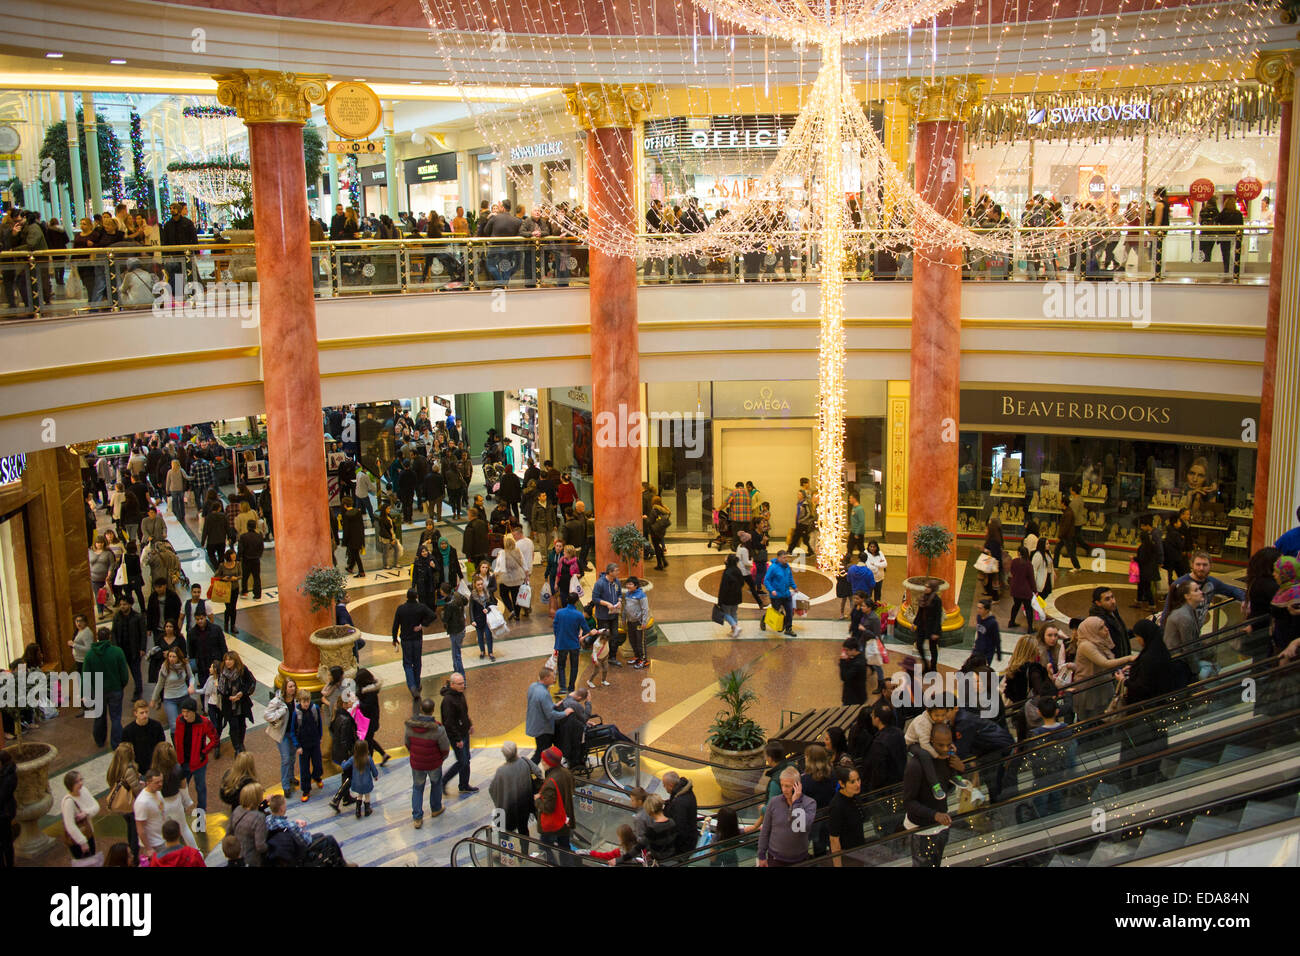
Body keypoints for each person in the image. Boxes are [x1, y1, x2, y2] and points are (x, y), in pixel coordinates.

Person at [902, 722, 960, 866]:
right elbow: (909, 802)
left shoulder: (948, 759)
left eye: (948, 745)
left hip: (942, 825)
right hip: (922, 830)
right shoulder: (915, 765)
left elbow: (948, 788)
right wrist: (935, 815)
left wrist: (960, 768)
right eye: (941, 745)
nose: (945, 749)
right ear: (931, 741)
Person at [1072, 616, 1137, 720]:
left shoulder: (1099, 641)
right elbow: (1105, 663)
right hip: (1089, 689)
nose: (1106, 629)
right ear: (1092, 630)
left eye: (1105, 626)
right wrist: (1129, 658)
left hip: (1102, 685)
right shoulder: (1086, 645)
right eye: (1101, 627)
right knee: (1089, 721)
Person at [405, 696, 451, 828]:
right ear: (433, 710)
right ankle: (436, 809)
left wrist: (414, 754)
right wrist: (440, 758)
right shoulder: (438, 729)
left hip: (417, 763)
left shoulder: (409, 726)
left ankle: (417, 817)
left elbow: (407, 744)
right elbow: (445, 748)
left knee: (417, 788)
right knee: (436, 784)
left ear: (420, 709)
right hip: (433, 763)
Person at [757, 766, 817, 866]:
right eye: (782, 785)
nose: (784, 790)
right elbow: (765, 830)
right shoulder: (774, 802)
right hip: (775, 858)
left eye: (788, 786)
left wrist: (796, 803)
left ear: (798, 786)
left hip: (799, 860)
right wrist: (761, 855)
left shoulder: (810, 803)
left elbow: (800, 827)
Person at [84, 628, 129, 750]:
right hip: (115, 689)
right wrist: (121, 685)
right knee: (116, 717)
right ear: (109, 636)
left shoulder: (89, 655)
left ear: (97, 637)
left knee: (99, 716)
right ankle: (116, 743)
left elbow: (86, 676)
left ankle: (99, 740)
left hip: (98, 690)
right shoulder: (117, 652)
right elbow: (124, 673)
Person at [489, 740, 542, 837]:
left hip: (507, 808)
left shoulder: (501, 771)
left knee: (504, 833)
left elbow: (492, 789)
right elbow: (538, 773)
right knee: (523, 829)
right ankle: (524, 850)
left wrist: (499, 802)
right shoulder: (525, 762)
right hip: (525, 805)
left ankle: (505, 851)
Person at [390, 587, 436, 698]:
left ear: (407, 596)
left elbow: (395, 625)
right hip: (417, 639)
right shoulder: (421, 607)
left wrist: (394, 638)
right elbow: (433, 616)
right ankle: (417, 683)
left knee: (407, 663)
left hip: (406, 639)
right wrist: (422, 624)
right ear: (416, 596)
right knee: (417, 662)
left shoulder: (401, 609)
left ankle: (412, 686)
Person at [536, 745, 576, 862]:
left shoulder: (550, 783)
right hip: (566, 819)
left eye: (544, 760)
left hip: (554, 824)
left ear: (549, 762)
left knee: (544, 846)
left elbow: (547, 808)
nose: (542, 762)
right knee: (564, 847)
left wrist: (537, 800)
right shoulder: (567, 773)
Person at [439, 672, 477, 796]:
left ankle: (464, 784)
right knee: (462, 761)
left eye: (463, 683)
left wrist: (469, 724)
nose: (463, 686)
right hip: (457, 736)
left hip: (464, 732)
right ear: (452, 684)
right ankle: (443, 782)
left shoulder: (459, 694)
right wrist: (457, 739)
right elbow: (448, 723)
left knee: (466, 760)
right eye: (460, 684)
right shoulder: (448, 701)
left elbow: (464, 713)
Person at [526, 667, 573, 763]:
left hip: (535, 725)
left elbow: (538, 704)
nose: (554, 679)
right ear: (546, 678)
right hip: (543, 729)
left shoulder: (533, 686)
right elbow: (551, 715)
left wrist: (552, 705)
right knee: (540, 754)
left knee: (541, 751)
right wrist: (565, 713)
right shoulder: (544, 693)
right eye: (552, 677)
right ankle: (529, 770)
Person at [217, 651, 256, 754]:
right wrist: (229, 696)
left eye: (230, 659)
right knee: (233, 726)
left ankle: (241, 743)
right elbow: (221, 689)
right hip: (228, 704)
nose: (228, 662)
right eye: (226, 659)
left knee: (242, 724)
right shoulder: (222, 672)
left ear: (235, 660)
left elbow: (251, 682)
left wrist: (241, 693)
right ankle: (237, 748)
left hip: (241, 703)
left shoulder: (242, 670)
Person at [110, 596, 148, 701]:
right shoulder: (117, 617)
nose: (122, 606)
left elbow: (143, 634)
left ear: (130, 605)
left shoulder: (138, 617)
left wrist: (142, 648)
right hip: (121, 650)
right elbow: (113, 632)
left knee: (136, 672)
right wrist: (115, 647)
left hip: (134, 650)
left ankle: (138, 691)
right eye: (121, 604)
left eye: (125, 604)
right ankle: (118, 692)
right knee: (119, 672)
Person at [552, 591, 589, 694]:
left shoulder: (559, 613)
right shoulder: (579, 615)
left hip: (562, 643)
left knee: (561, 666)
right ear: (577, 601)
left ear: (567, 600)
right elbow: (586, 628)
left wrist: (558, 637)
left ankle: (563, 687)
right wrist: (581, 634)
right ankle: (571, 687)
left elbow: (555, 628)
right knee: (574, 666)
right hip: (574, 645)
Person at [151, 648, 195, 732]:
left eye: (174, 656)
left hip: (184, 696)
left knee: (186, 722)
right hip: (170, 698)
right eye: (170, 656)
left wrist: (191, 685)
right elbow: (160, 684)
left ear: (178, 657)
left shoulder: (184, 664)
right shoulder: (165, 667)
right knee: (174, 725)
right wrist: (154, 698)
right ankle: (177, 744)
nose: (171, 659)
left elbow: (191, 676)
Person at [61, 770, 100, 861]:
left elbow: (96, 806)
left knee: (92, 859)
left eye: (81, 780)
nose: (81, 783)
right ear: (70, 785)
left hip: (88, 832)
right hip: (77, 840)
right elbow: (69, 825)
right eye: (77, 782)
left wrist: (86, 813)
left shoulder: (84, 790)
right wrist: (82, 842)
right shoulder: (68, 802)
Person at [121, 698, 166, 775]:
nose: (145, 715)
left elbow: (161, 746)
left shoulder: (156, 726)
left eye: (146, 712)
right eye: (142, 713)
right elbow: (126, 753)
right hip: (138, 769)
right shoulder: (128, 731)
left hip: (155, 766)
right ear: (135, 713)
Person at [662, 770, 699, 857]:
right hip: (690, 836)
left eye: (664, 785)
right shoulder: (685, 791)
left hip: (684, 845)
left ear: (670, 786)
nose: (663, 787)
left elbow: (680, 828)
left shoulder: (679, 803)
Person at [230, 781, 268, 865]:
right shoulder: (258, 817)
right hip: (253, 859)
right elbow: (260, 846)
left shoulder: (237, 810)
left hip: (238, 855)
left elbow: (229, 832)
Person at [133, 769, 167, 856]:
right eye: (157, 782)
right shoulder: (142, 802)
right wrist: (148, 848)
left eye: (161, 781)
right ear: (148, 782)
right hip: (154, 844)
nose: (160, 784)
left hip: (162, 839)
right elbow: (140, 828)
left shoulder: (158, 793)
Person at [341, 740, 379, 820]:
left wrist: (343, 762)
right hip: (367, 783)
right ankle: (367, 810)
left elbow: (345, 766)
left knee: (359, 795)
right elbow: (373, 769)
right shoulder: (368, 759)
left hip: (357, 782)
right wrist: (375, 776)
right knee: (367, 796)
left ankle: (358, 811)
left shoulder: (353, 759)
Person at [912, 581, 944, 673]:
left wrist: (936, 632)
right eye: (925, 587)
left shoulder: (937, 600)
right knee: (919, 645)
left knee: (933, 648)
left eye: (928, 587)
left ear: (933, 589)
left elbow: (938, 616)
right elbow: (920, 612)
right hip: (922, 626)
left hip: (932, 627)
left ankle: (933, 668)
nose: (926, 589)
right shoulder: (923, 597)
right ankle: (926, 665)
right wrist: (915, 623)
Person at [763, 549, 796, 636]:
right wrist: (771, 590)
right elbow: (766, 580)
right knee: (775, 611)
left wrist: (794, 587)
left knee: (789, 612)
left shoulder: (787, 566)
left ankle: (788, 628)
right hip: (776, 595)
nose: (786, 559)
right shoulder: (773, 567)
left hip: (786, 594)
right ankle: (764, 619)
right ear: (779, 558)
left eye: (786, 557)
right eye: (784, 558)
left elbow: (790, 577)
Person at [622, 576, 651, 669]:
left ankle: (644, 660)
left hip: (638, 622)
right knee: (632, 640)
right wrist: (623, 619)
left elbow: (645, 609)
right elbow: (625, 608)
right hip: (630, 622)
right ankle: (637, 657)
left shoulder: (641, 595)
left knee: (640, 642)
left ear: (636, 586)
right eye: (627, 584)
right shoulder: (627, 594)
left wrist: (644, 622)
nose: (628, 586)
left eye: (630, 584)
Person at [716, 553, 746, 638]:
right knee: (734, 613)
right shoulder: (738, 570)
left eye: (726, 558)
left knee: (725, 614)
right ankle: (734, 631)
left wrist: (720, 601)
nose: (724, 559)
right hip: (737, 596)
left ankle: (735, 627)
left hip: (727, 598)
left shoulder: (727, 572)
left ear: (728, 561)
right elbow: (742, 583)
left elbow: (723, 588)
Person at [1007, 546, 1037, 630]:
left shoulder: (1014, 561)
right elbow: (1031, 579)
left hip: (1015, 589)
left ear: (1019, 553)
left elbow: (1012, 572)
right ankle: (1030, 628)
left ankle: (1011, 622)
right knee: (1028, 609)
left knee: (1016, 605)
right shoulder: (1028, 564)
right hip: (1025, 590)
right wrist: (1034, 590)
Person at [973, 597, 1002, 664]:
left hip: (987, 653)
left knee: (983, 673)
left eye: (980, 608)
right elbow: (979, 633)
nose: (978, 610)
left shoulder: (993, 623)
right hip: (977, 649)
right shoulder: (978, 617)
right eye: (977, 607)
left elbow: (997, 639)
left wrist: (998, 654)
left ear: (987, 610)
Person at [839, 638, 868, 705]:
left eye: (847, 650)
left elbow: (844, 677)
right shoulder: (859, 657)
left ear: (854, 650)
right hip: (855, 696)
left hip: (853, 698)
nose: (845, 652)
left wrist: (842, 661)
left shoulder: (858, 663)